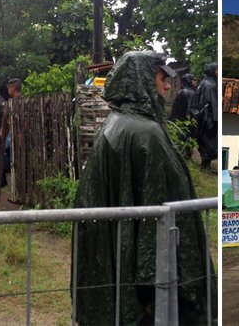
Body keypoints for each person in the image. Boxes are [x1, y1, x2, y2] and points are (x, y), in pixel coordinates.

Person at [72, 51, 214, 325]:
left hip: (121, 260)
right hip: (145, 280)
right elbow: (157, 210)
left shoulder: (118, 123)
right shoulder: (144, 133)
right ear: (142, 80)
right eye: (162, 78)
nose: (168, 86)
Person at [192, 62, 218, 170]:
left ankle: (205, 165)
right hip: (208, 119)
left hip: (203, 118)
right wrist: (216, 119)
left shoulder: (203, 82)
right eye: (216, 70)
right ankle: (205, 166)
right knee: (209, 143)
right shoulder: (210, 85)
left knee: (204, 142)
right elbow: (212, 103)